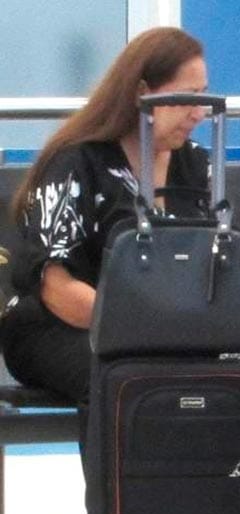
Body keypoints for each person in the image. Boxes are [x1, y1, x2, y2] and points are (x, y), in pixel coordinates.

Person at [0, 27, 211, 404]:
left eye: (203, 97)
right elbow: (57, 288)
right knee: (127, 375)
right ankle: (125, 465)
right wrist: (150, 329)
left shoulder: (194, 164)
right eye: (186, 97)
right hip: (61, 327)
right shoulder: (75, 161)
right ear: (142, 92)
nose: (199, 112)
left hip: (167, 330)